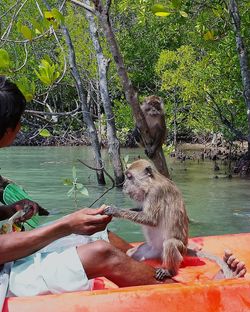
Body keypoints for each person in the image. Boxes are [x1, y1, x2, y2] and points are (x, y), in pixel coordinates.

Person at [0, 76, 246, 298]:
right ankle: (193, 293)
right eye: (19, 121)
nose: (21, 127)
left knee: (104, 235)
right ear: (7, 128)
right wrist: (65, 226)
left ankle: (142, 269)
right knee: (101, 252)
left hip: (10, 256)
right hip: (5, 275)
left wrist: (9, 210)